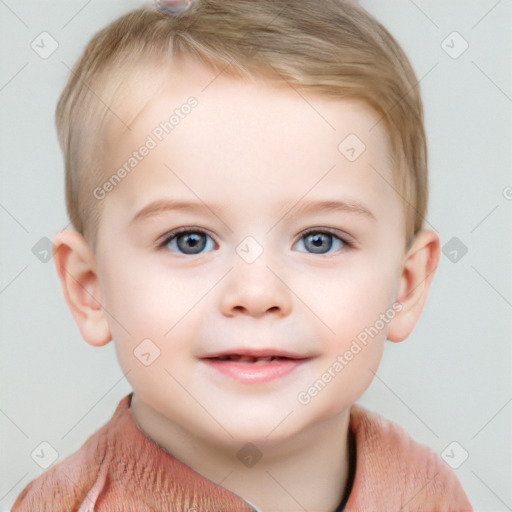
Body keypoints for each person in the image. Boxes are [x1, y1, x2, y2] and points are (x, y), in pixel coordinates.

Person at [12, 0, 473, 510]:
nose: (256, 294)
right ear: (90, 288)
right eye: (189, 240)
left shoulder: (426, 490)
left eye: (320, 240)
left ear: (406, 285)